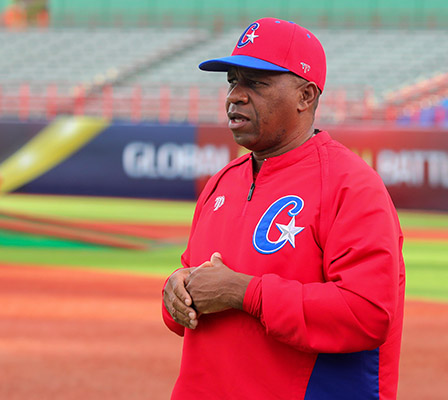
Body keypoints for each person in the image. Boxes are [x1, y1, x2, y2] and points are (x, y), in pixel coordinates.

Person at [162, 18, 405, 400]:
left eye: (256, 83)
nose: (235, 96)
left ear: (305, 96)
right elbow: (196, 290)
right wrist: (176, 291)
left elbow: (367, 314)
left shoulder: (351, 185)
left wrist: (245, 293)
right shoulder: (221, 182)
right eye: (232, 82)